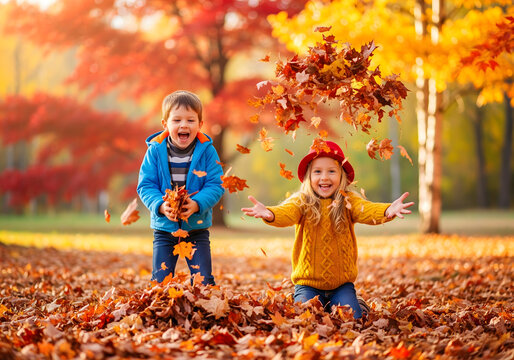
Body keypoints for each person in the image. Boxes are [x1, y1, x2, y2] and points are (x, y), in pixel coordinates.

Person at [241, 140, 414, 318]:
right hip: (308, 284)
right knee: (303, 318)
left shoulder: (348, 201)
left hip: (341, 285)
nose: (324, 177)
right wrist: (270, 213)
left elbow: (366, 210)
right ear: (309, 177)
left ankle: (356, 304)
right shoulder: (302, 200)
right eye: (317, 172)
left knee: (352, 318)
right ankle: (309, 301)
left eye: (331, 171)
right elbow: (287, 212)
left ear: (342, 176)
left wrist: (387, 210)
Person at [137, 90, 224, 284]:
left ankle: (203, 309)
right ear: (165, 124)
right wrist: (160, 205)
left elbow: (215, 185)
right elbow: (146, 185)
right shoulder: (155, 151)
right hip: (165, 230)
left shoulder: (207, 151)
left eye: (190, 120)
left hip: (196, 229)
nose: (183, 125)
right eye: (176, 120)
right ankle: (162, 310)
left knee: (204, 280)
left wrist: (197, 204)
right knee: (161, 280)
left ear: (200, 125)